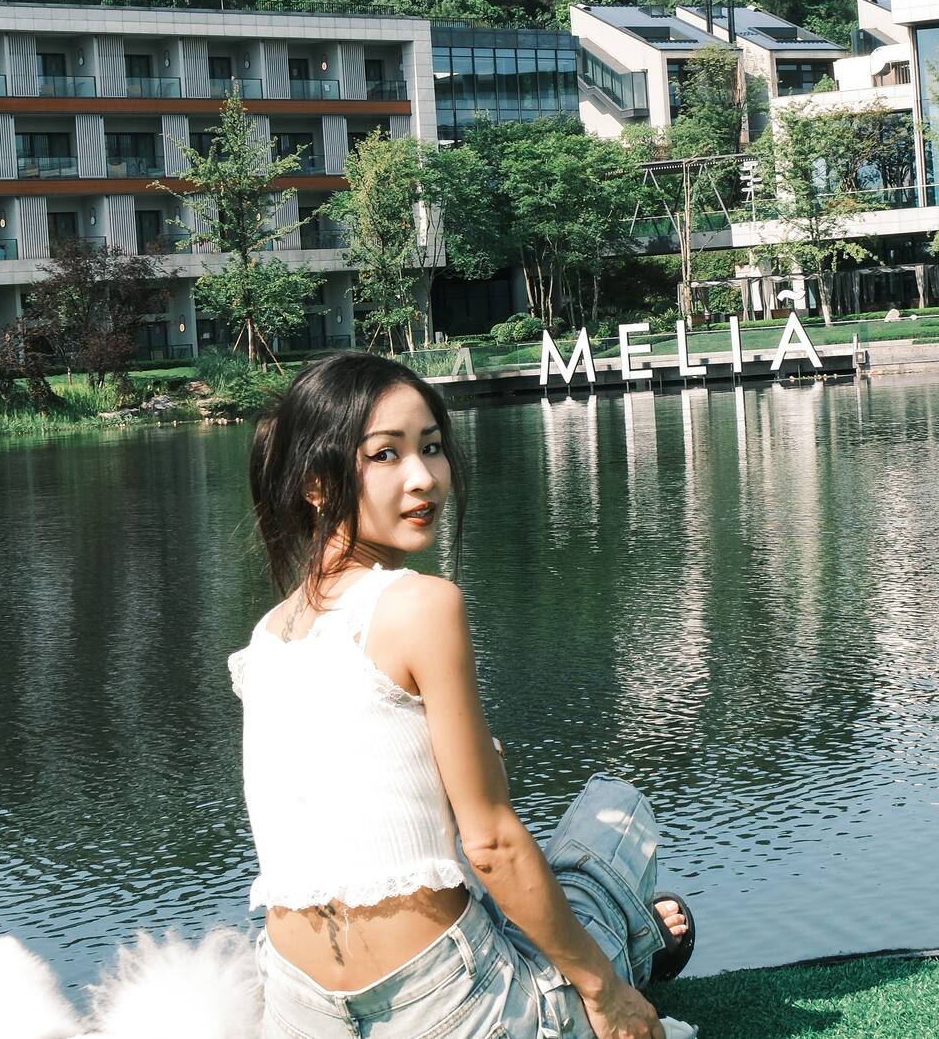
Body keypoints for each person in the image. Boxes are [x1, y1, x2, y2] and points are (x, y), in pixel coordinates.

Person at [231, 353, 695, 1038]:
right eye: (385, 454)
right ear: (314, 482)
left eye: (433, 447)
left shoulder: (266, 639)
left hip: (298, 1011)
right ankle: (642, 936)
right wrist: (604, 994)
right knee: (615, 810)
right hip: (444, 1004)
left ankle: (633, 928)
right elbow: (492, 847)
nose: (424, 478)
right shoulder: (421, 603)